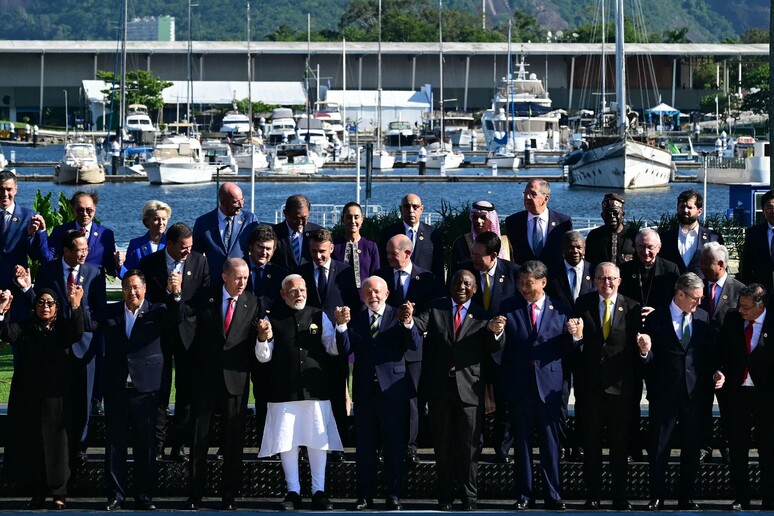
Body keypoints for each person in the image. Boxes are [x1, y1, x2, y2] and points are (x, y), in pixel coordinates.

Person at [413, 270, 504, 511]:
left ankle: (469, 497)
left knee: (469, 446)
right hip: (440, 388)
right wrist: (407, 319)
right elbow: (415, 325)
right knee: (442, 445)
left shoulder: (484, 316)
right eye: (456, 282)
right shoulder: (436, 308)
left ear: (475, 289)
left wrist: (496, 331)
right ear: (449, 285)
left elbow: (493, 347)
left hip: (469, 390)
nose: (461, 286)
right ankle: (445, 496)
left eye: (467, 283)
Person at [256, 274, 348, 511]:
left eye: (302, 290)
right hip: (283, 391)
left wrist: (340, 326)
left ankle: (319, 491)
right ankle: (293, 491)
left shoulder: (319, 315)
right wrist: (262, 338)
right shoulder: (272, 318)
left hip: (315, 390)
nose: (299, 294)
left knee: (318, 440)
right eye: (293, 290)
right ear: (283, 293)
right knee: (287, 441)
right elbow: (263, 357)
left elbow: (333, 349)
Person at [15, 229, 106, 463]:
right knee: (57, 398)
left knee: (85, 399)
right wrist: (27, 288)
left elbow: (100, 311)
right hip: (56, 349)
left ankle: (81, 447)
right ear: (66, 251)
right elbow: (40, 305)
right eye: (79, 250)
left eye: (86, 249)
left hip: (85, 346)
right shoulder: (48, 271)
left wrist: (88, 324)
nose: (84, 253)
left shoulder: (94, 273)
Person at [499, 260, 583, 510]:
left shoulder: (561, 310)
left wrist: (576, 336)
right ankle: (524, 494)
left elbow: (569, 351)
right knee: (522, 442)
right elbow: (500, 347)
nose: (524, 288)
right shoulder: (508, 308)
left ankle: (553, 493)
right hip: (520, 385)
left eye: (529, 283)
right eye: (521, 283)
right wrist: (495, 333)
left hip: (549, 387)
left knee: (550, 442)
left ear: (543, 282)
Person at [636, 272, 718, 511]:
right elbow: (649, 360)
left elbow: (708, 355)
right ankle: (657, 496)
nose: (699, 302)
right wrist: (644, 351)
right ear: (680, 294)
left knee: (692, 448)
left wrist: (717, 371)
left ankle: (686, 496)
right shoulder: (656, 318)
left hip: (695, 395)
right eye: (695, 298)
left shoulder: (702, 317)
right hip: (664, 394)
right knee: (659, 447)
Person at [184, 258, 260, 511]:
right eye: (237, 277)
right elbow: (190, 331)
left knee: (233, 440)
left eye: (246, 278)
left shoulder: (252, 301)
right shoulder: (205, 298)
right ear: (225, 276)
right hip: (205, 378)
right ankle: (195, 493)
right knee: (199, 438)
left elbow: (253, 341)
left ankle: (229, 494)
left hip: (236, 381)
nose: (242, 282)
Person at [340, 276, 421, 511]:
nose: (372, 296)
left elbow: (413, 344)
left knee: (394, 447)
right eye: (367, 292)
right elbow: (345, 350)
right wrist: (342, 326)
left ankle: (393, 495)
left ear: (386, 294)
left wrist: (408, 322)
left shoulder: (398, 315)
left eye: (376, 292)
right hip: (365, 394)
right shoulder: (355, 320)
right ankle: (364, 496)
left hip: (393, 392)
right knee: (365, 448)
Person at [0, 285, 83, 510]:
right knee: (33, 445)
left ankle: (59, 493)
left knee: (58, 446)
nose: (44, 307)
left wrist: (75, 306)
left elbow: (77, 333)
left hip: (57, 399)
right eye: (40, 302)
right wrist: (2, 311)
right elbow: (6, 334)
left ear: (56, 307)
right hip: (30, 398)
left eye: (49, 303)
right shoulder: (26, 327)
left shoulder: (62, 328)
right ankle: (37, 492)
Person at [138, 222, 210, 464]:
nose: (187, 251)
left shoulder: (200, 261)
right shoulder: (149, 264)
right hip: (158, 336)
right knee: (159, 393)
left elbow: (203, 297)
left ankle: (179, 445)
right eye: (182, 247)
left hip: (188, 336)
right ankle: (157, 446)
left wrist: (180, 306)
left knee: (186, 393)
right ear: (169, 244)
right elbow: (144, 300)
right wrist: (169, 302)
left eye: (190, 247)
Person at [572, 262, 641, 511]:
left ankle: (619, 496)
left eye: (611, 278)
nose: (607, 283)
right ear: (593, 280)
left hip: (620, 388)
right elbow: (575, 346)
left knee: (619, 446)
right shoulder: (583, 304)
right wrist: (576, 337)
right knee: (591, 445)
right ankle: (593, 495)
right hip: (590, 388)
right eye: (601, 278)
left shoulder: (632, 307)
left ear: (619, 281)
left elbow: (636, 351)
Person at [103, 270, 173, 512]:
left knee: (146, 445)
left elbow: (177, 319)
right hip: (117, 388)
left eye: (136, 288)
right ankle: (116, 495)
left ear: (144, 288)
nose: (131, 292)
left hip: (146, 389)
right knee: (115, 446)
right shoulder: (111, 312)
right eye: (127, 287)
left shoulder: (158, 311)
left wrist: (176, 294)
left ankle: (144, 495)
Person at [453, 231, 520, 464]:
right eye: (472, 253)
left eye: (478, 255)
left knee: (505, 403)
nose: (473, 259)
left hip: (503, 349)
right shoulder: (464, 270)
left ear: (493, 255)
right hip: (473, 348)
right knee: (475, 403)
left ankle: (502, 449)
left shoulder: (513, 272)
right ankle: (475, 448)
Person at [296, 228, 361, 459]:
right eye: (313, 251)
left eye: (322, 251)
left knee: (336, 395)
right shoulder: (302, 271)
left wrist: (346, 330)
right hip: (309, 345)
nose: (318, 256)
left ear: (332, 248)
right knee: (309, 398)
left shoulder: (344, 272)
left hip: (336, 341)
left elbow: (355, 303)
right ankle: (307, 445)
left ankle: (337, 445)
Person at [375, 233, 437, 466]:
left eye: (393, 253)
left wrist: (413, 322)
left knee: (412, 401)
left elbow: (431, 309)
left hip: (414, 347)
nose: (389, 257)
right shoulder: (380, 275)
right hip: (387, 346)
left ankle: (411, 447)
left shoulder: (427, 278)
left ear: (408, 253)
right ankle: (385, 444)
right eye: (387, 253)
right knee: (386, 399)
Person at [716, 284, 774, 510]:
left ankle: (769, 497)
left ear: (760, 306)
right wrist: (719, 369)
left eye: (746, 307)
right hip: (738, 394)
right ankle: (742, 496)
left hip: (766, 397)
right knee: (737, 449)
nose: (740, 310)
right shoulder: (732, 319)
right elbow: (721, 350)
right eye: (739, 305)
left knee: (768, 449)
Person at [0, 169, 50, 316]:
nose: (5, 194)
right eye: (1, 189)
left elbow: (38, 256)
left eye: (8, 189)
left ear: (16, 189)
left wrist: (33, 234)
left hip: (17, 289)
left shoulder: (28, 217)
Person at [192, 182, 258, 285]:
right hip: (213, 282)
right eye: (236, 202)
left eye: (242, 200)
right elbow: (196, 255)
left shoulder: (249, 220)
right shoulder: (203, 223)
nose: (241, 205)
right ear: (223, 201)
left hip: (241, 283)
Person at [47, 191, 120, 277]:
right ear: (72, 210)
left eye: (89, 210)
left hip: (94, 284)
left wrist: (118, 263)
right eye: (80, 210)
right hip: (68, 282)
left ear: (94, 209)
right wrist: (39, 233)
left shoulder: (106, 234)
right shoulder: (60, 231)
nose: (85, 214)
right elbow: (47, 258)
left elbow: (111, 268)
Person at [503, 178, 572, 268]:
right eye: (525, 193)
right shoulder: (513, 221)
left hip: (553, 279)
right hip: (523, 279)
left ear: (546, 198)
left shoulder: (563, 222)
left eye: (533, 194)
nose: (527, 197)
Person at [379, 193, 445, 282]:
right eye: (406, 207)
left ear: (421, 209)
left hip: (424, 286)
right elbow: (383, 263)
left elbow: (438, 266)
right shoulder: (388, 233)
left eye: (415, 207)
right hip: (397, 285)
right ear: (401, 209)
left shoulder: (433, 234)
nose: (411, 210)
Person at [658, 189, 723, 278]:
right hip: (672, 289)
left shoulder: (713, 238)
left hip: (703, 290)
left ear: (699, 211)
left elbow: (721, 270)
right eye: (682, 206)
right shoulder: (665, 237)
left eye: (690, 207)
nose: (685, 210)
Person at [332, 202, 380, 290]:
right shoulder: (335, 246)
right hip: (338, 297)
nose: (353, 221)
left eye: (356, 217)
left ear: (362, 219)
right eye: (349, 217)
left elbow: (375, 276)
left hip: (363, 299)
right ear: (343, 219)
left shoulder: (370, 247)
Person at [584, 193, 638, 267]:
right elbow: (588, 263)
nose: (612, 217)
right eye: (607, 214)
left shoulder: (633, 235)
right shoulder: (594, 236)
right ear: (602, 216)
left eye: (615, 213)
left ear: (623, 215)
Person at [271, 194, 323, 270]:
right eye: (295, 218)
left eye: (304, 218)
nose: (300, 222)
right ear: (285, 213)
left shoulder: (317, 232)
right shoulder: (274, 233)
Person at [546, 231, 595, 310]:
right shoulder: (551, 273)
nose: (575, 251)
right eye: (570, 247)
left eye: (579, 247)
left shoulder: (594, 271)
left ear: (584, 249)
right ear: (563, 249)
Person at [122, 200, 171, 275]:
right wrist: (119, 266)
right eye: (156, 219)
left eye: (164, 219)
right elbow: (128, 274)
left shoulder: (171, 243)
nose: (161, 223)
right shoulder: (135, 245)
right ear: (146, 221)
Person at [739, 190, 774, 292]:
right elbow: (747, 266)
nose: (773, 211)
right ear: (763, 211)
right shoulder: (753, 233)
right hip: (762, 292)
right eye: (769, 207)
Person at [245, 224, 286, 310]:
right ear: (251, 246)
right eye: (260, 247)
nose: (264, 252)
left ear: (274, 250)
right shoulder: (237, 269)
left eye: (268, 249)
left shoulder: (280, 275)